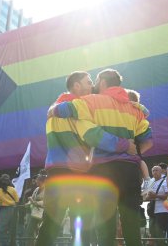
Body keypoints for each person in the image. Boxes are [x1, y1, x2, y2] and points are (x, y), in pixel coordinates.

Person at [48, 69, 153, 246]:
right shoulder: (134, 109)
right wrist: (132, 151)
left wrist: (52, 108)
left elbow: (60, 110)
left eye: (95, 81)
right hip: (131, 171)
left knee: (106, 227)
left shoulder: (90, 101)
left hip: (104, 171)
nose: (93, 85)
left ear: (103, 82)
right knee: (132, 226)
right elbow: (149, 141)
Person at [146, 166, 168, 246]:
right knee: (152, 234)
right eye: (153, 171)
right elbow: (145, 197)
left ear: (161, 172)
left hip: (162, 211)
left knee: (160, 235)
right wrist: (148, 196)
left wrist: (155, 195)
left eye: (156, 170)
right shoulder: (151, 182)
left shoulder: (165, 181)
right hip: (152, 212)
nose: (154, 172)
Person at [0, 175, 19, 246]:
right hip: (14, 210)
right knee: (13, 230)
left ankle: (4, 244)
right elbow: (17, 201)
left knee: (0, 230)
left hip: (4, 210)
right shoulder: (13, 189)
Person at [25, 174, 46, 245]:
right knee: (29, 230)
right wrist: (28, 203)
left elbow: (46, 202)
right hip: (35, 213)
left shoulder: (47, 189)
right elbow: (32, 198)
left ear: (42, 181)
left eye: (37, 180)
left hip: (44, 213)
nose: (36, 181)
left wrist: (34, 202)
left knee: (41, 231)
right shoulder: (37, 189)